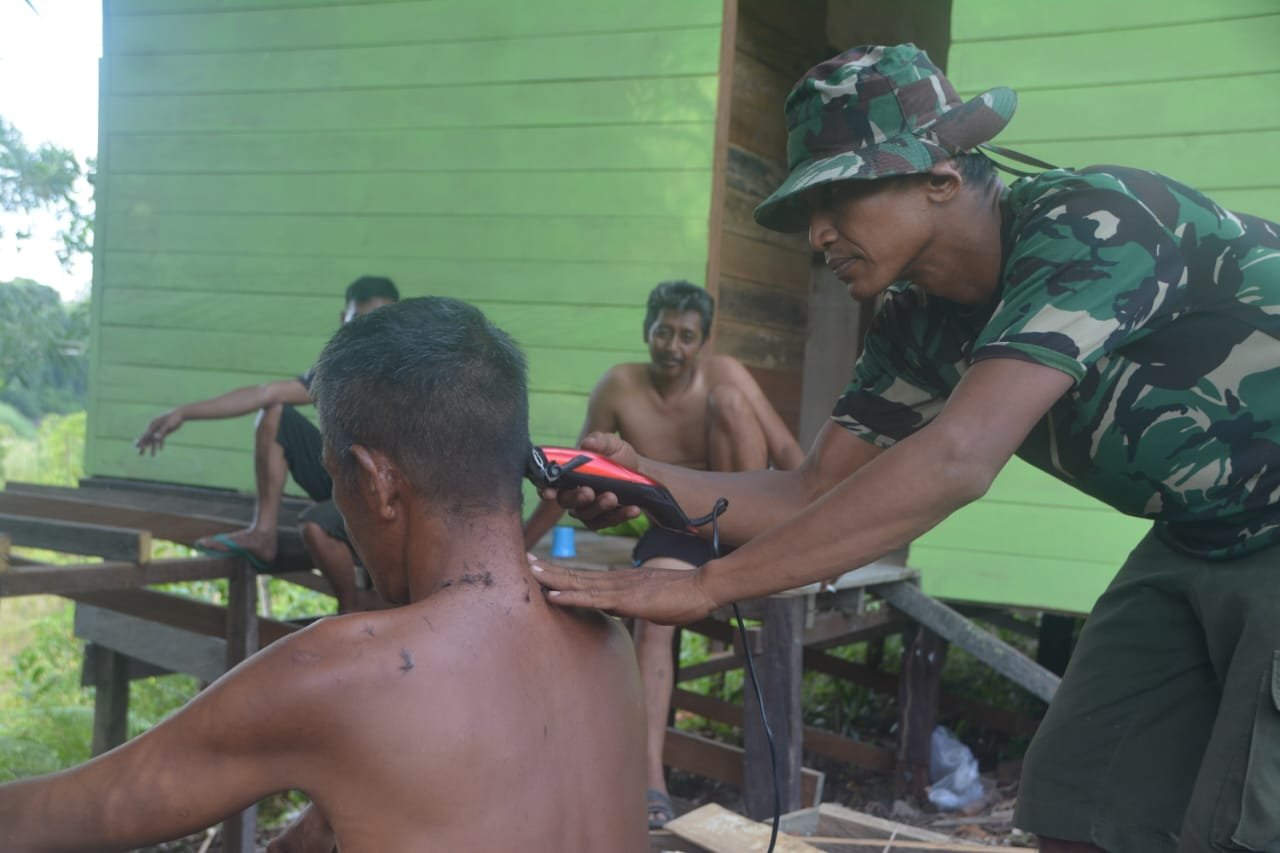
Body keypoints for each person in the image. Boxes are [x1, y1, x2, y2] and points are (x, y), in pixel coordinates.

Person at [531, 43, 1280, 852]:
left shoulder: (1093, 223)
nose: (817, 235)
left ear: (940, 177)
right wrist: (646, 478)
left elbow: (960, 457)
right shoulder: (914, 322)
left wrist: (710, 585)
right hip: (1200, 531)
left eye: (838, 198)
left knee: (1247, 821)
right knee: (1076, 801)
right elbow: (813, 486)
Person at [0, 296, 649, 852]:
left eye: (337, 480)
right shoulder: (608, 642)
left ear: (377, 481)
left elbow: (71, 811)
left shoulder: (340, 675)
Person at [523, 279, 803, 828]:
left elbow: (793, 457)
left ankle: (745, 537)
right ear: (646, 330)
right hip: (677, 530)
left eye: (686, 336)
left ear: (704, 341)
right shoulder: (619, 387)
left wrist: (818, 531)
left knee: (730, 402)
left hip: (745, 520)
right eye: (663, 332)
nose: (673, 345)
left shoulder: (725, 376)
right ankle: (651, 778)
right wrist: (518, 541)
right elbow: (577, 475)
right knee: (654, 621)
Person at [135, 275, 399, 613]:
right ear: (343, 320)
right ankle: (263, 533)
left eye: (378, 323)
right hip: (342, 477)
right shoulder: (334, 370)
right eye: (358, 321)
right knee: (275, 411)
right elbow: (265, 393)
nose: (367, 333)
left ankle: (349, 613)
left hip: (382, 493)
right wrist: (184, 413)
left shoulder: (402, 371)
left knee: (316, 524)